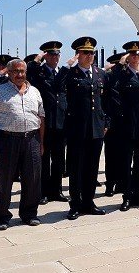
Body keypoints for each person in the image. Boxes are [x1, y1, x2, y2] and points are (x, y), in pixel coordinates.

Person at [0, 59, 45, 230]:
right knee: (5, 180)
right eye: (16, 71)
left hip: (31, 139)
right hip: (7, 141)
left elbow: (41, 118)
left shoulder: (35, 92)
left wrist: (41, 143)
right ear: (9, 73)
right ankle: (2, 216)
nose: (20, 75)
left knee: (32, 179)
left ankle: (29, 214)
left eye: (22, 71)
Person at [63, 36, 110, 220]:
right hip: (77, 129)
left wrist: (106, 123)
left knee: (92, 168)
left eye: (92, 53)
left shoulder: (100, 74)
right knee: (76, 168)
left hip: (96, 129)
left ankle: (89, 202)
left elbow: (105, 102)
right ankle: (75, 204)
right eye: (85, 53)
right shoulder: (70, 74)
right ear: (78, 54)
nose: (90, 56)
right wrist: (68, 66)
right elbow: (57, 86)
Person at [109, 41, 139, 211]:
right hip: (127, 127)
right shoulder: (121, 76)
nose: (136, 57)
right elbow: (113, 94)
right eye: (132, 54)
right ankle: (127, 196)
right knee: (125, 163)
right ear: (128, 57)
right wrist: (120, 64)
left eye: (138, 54)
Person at [27, 41, 69, 205]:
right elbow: (29, 70)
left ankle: (56, 190)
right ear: (46, 56)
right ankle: (43, 192)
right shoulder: (40, 72)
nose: (55, 57)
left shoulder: (63, 73)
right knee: (44, 159)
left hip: (61, 121)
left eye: (57, 54)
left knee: (59, 159)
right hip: (45, 123)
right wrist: (38, 59)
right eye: (51, 54)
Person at [101, 52, 126, 197]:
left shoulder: (126, 77)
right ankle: (110, 184)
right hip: (111, 122)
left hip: (125, 122)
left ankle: (122, 184)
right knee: (111, 156)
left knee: (124, 156)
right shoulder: (109, 78)